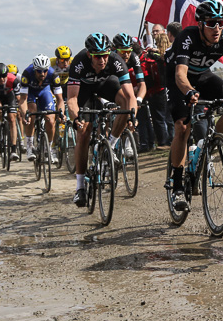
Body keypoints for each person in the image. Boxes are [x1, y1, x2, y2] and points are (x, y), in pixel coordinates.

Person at [164, 0, 223, 210]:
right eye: (211, 23)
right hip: (178, 79)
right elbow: (180, 74)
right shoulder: (187, 37)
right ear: (200, 24)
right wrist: (189, 91)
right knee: (182, 126)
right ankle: (178, 184)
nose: (216, 28)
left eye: (220, 23)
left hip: (203, 76)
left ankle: (209, 145)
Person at [67, 33, 137, 207]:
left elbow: (130, 95)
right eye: (98, 56)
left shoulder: (115, 60)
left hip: (105, 84)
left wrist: (133, 114)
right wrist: (75, 118)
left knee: (124, 105)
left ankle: (111, 145)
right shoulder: (79, 62)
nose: (102, 60)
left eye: (105, 55)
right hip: (84, 89)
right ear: (90, 54)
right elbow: (72, 99)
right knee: (84, 132)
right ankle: (80, 187)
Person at [18, 54, 65, 163]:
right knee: (31, 113)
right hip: (31, 92)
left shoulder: (53, 75)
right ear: (34, 69)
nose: (42, 74)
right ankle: (29, 147)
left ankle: (49, 148)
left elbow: (60, 99)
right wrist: (25, 114)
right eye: (39, 71)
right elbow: (23, 99)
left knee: (50, 119)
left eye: (44, 71)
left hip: (45, 91)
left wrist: (61, 113)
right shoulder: (27, 74)